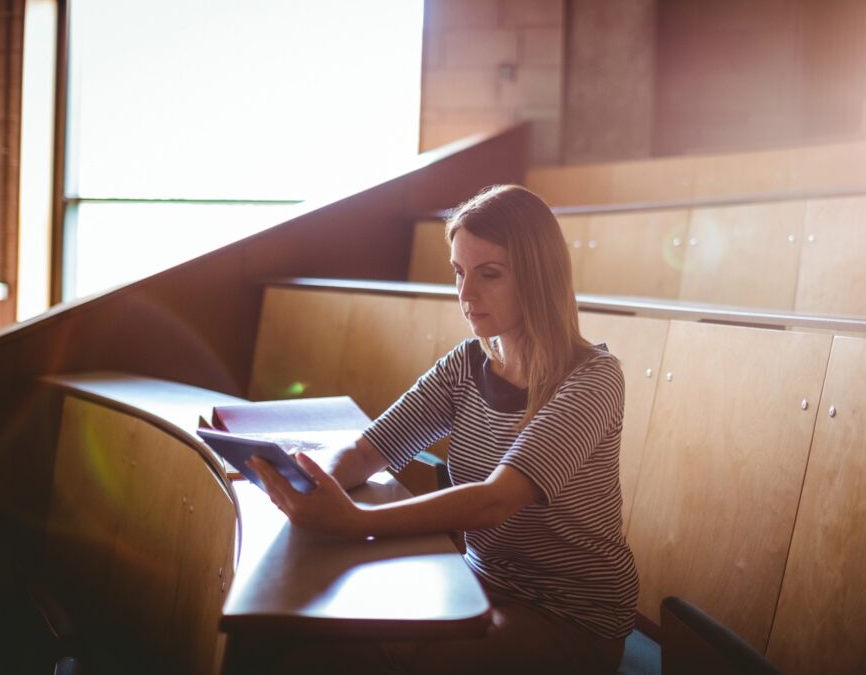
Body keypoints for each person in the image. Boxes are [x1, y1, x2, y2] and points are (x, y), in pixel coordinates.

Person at [249, 184, 638, 674]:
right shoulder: (466, 364)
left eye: (489, 274)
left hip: (570, 614)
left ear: (539, 278)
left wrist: (355, 522)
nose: (465, 293)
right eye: (458, 272)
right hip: (476, 581)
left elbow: (497, 499)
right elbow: (372, 448)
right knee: (317, 646)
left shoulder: (594, 378)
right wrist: (314, 485)